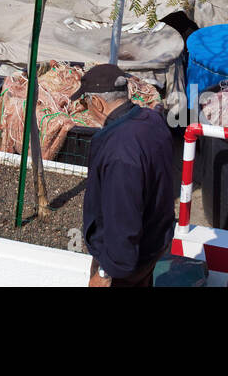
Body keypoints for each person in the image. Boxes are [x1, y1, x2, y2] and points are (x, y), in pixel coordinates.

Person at [74, 65, 174, 288]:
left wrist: (105, 272)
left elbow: (123, 218)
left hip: (127, 265)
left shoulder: (119, 152)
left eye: (84, 103)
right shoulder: (152, 119)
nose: (84, 110)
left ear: (98, 103)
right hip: (154, 243)